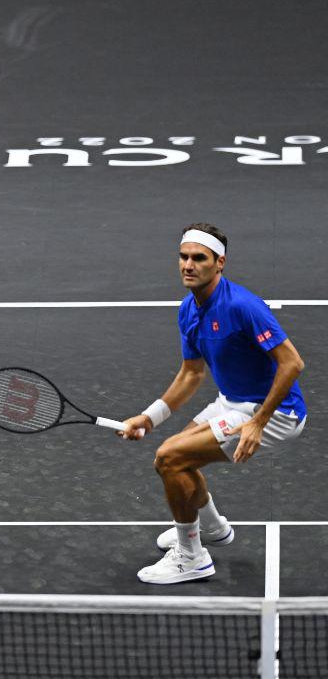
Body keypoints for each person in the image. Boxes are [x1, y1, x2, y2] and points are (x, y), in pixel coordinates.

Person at [120, 224, 306, 584]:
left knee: (171, 457)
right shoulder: (188, 309)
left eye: (199, 258)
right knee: (174, 459)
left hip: (275, 413)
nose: (188, 265)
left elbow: (292, 363)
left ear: (219, 263)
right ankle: (213, 528)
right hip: (232, 402)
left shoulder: (242, 306)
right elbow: (191, 374)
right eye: (184, 257)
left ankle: (191, 557)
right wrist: (149, 417)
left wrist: (258, 422)